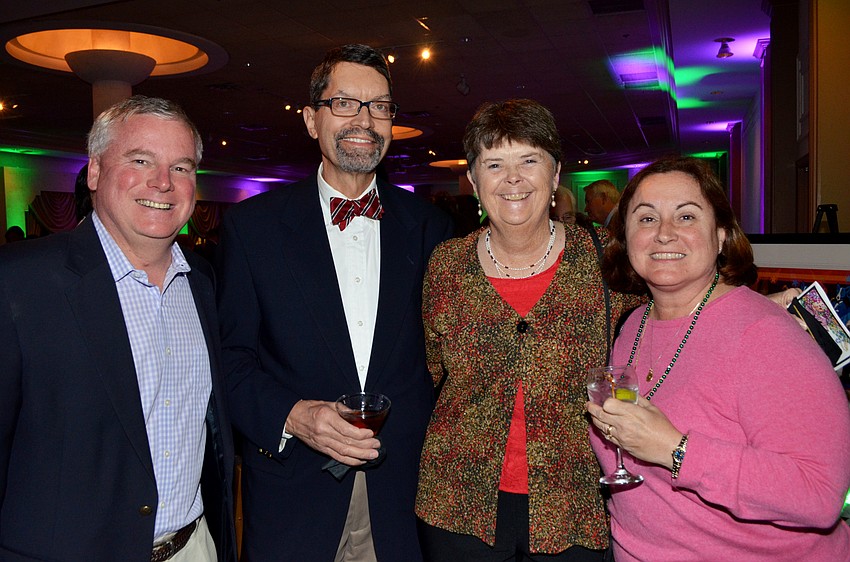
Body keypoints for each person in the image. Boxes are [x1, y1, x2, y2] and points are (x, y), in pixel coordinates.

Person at [217, 44, 453, 561]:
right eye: (345, 103)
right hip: (292, 497)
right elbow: (229, 361)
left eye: (380, 106)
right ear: (311, 120)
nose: (364, 120)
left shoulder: (432, 230)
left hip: (404, 499)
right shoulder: (252, 230)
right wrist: (293, 416)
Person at [0, 96, 237, 561]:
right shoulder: (19, 283)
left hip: (194, 547)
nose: (163, 183)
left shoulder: (204, 282)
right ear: (94, 172)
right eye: (141, 160)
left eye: (182, 167)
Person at [587, 156, 850, 561]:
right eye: (646, 219)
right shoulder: (633, 327)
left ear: (722, 235)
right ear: (625, 236)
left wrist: (677, 451)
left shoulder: (765, 334)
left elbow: (818, 494)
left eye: (687, 216)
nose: (664, 234)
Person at [416, 99, 641, 561]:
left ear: (555, 175)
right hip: (457, 504)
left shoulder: (605, 258)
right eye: (494, 164)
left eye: (529, 161)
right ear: (475, 182)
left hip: (576, 505)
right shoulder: (446, 266)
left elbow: (674, 313)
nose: (513, 178)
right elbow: (431, 369)